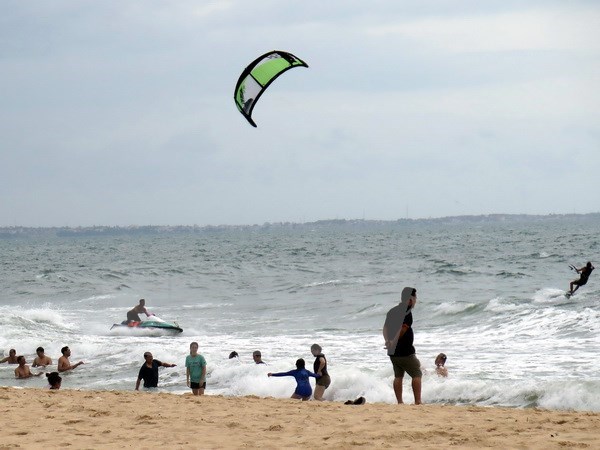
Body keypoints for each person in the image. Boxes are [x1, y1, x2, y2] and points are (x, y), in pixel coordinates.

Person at [383, 287, 422, 405]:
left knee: (398, 375)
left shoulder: (392, 311)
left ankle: (400, 402)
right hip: (405, 351)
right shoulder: (407, 313)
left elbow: (385, 328)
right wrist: (392, 342)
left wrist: (387, 341)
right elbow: (402, 330)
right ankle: (418, 401)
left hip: (393, 352)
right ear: (410, 299)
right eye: (415, 298)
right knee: (417, 374)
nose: (416, 300)